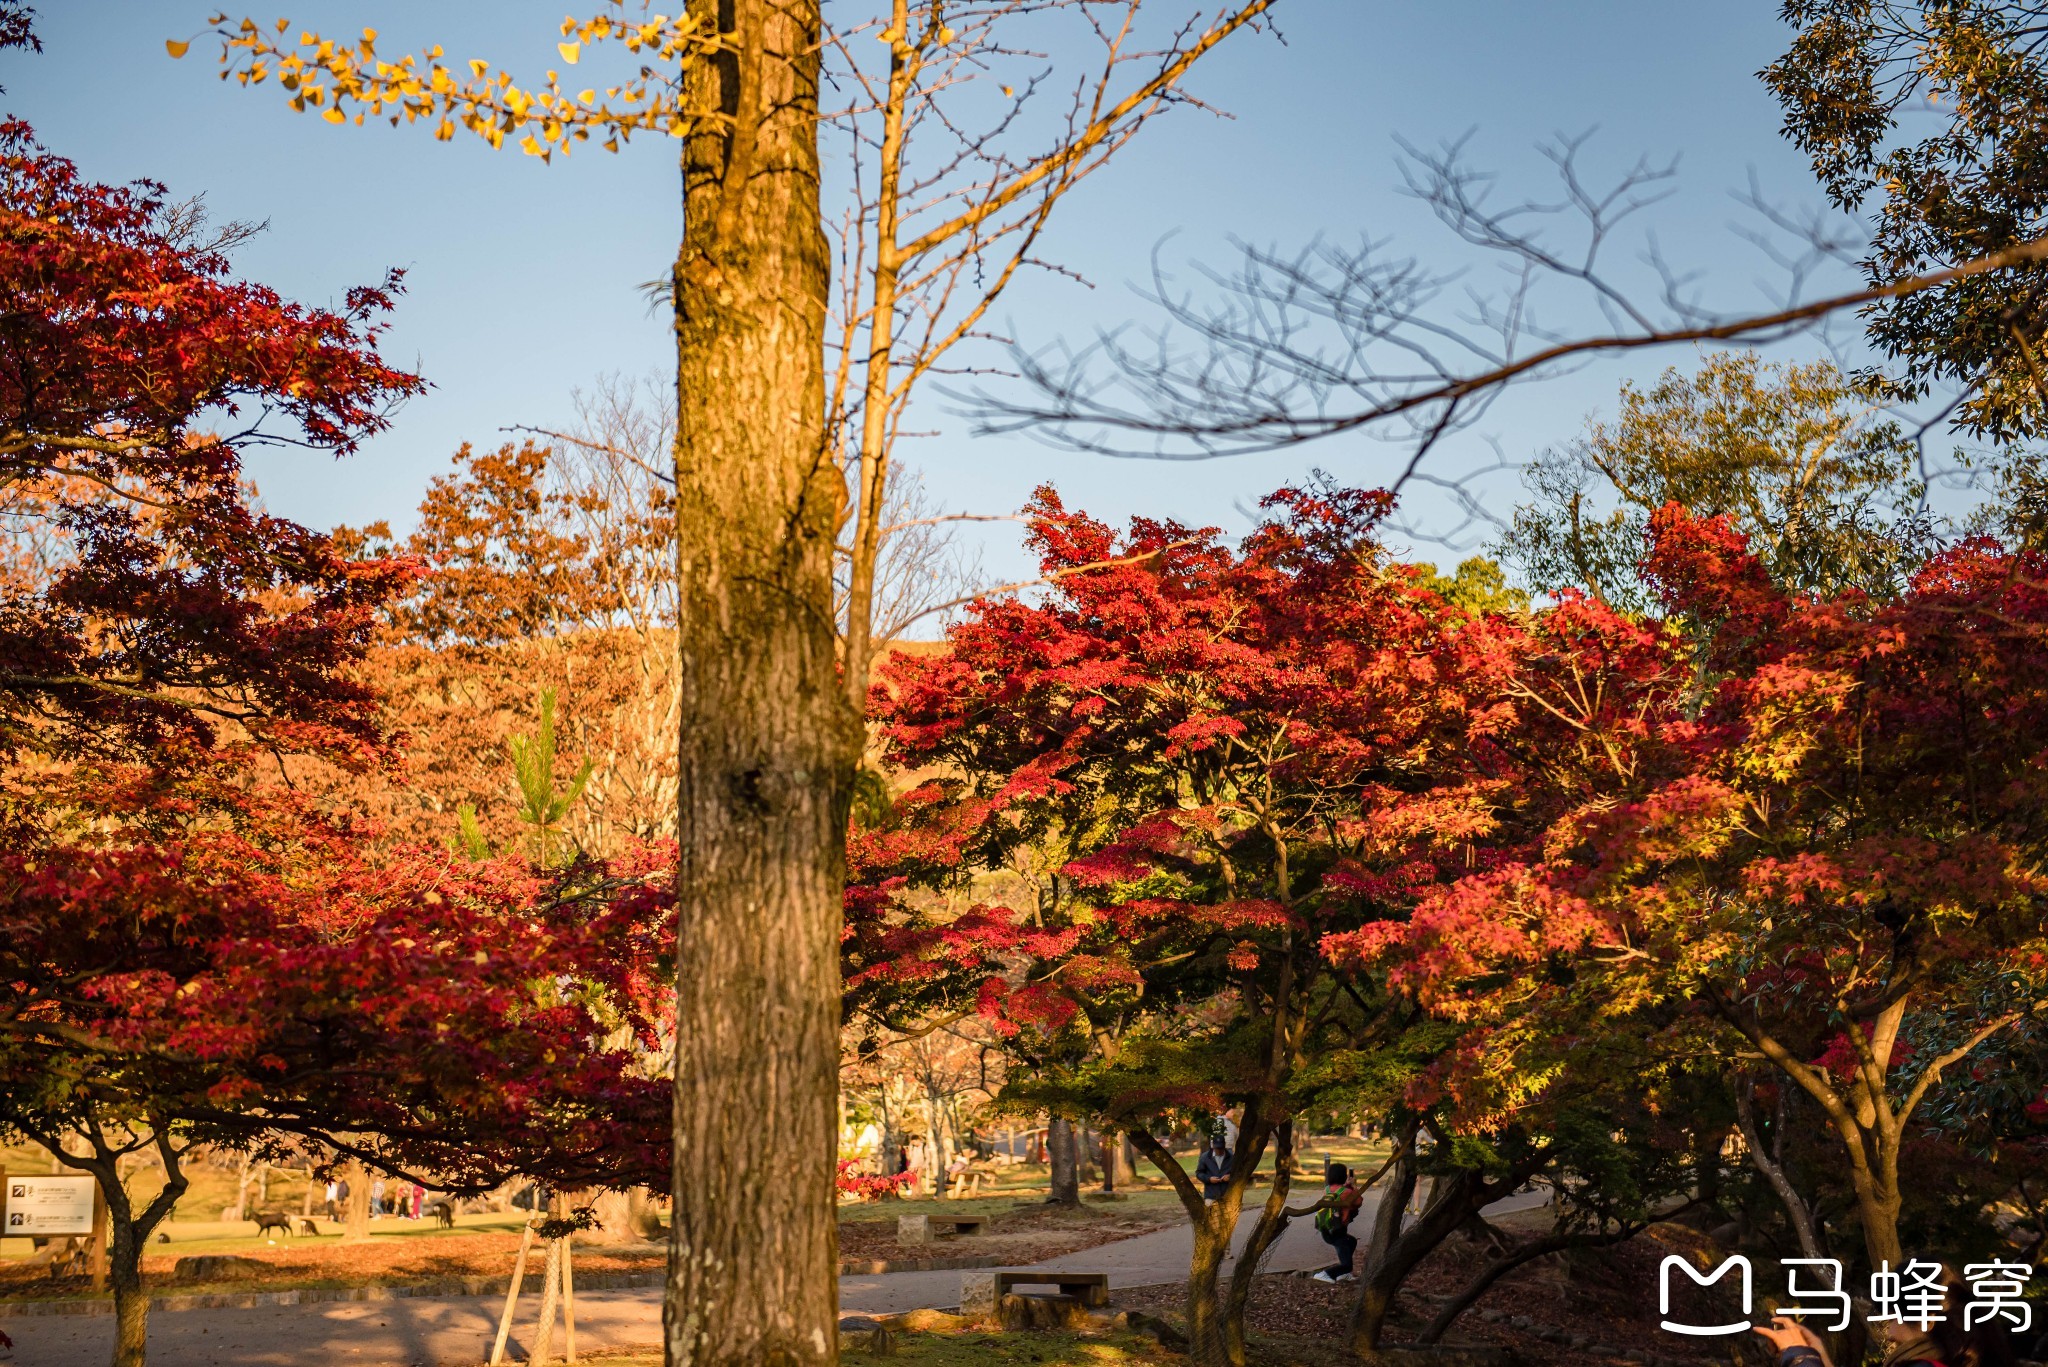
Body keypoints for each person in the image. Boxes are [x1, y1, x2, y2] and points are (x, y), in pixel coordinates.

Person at [1309, 1163, 1364, 1284]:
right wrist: (1353, 1185)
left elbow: (1340, 1194)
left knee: (1351, 1241)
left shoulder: (1327, 1189)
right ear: (1343, 1176)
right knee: (1347, 1265)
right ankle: (1324, 1274)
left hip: (1326, 1230)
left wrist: (1347, 1186)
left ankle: (1343, 1275)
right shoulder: (1347, 1192)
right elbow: (1359, 1201)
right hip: (1338, 1231)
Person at [1196, 1134, 1233, 1202]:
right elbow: (1199, 1173)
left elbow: (1238, 1173)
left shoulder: (1232, 1157)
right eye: (1217, 1148)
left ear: (1224, 1145)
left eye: (1221, 1148)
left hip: (1227, 1195)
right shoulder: (1205, 1157)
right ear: (1213, 1146)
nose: (1219, 1151)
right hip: (1210, 1195)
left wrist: (1230, 1177)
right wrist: (1209, 1179)